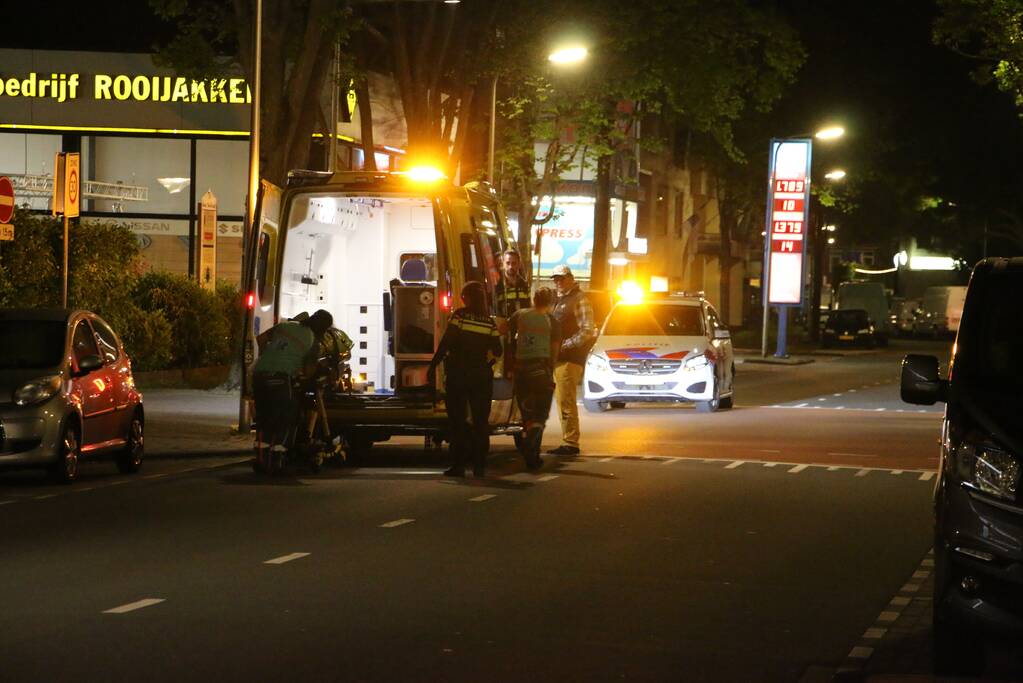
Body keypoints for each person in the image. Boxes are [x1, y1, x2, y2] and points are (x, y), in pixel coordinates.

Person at [428, 281, 503, 478]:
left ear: (468, 298)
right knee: (480, 422)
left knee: (457, 421)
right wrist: (486, 361)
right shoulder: (489, 322)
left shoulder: (460, 316)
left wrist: (433, 365)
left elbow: (447, 341)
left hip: (458, 374)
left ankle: (459, 466)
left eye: (463, 297)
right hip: (481, 376)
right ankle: (479, 467)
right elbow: (498, 350)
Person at [253, 309, 334, 452]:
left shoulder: (286, 326)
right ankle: (278, 453)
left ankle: (260, 453)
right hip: (280, 378)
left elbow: (260, 339)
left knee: (264, 417)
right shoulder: (313, 341)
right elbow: (308, 372)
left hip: (259, 375)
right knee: (287, 416)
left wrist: (266, 357)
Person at [507, 287, 560, 469]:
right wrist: (550, 369)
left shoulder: (519, 315)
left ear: (533, 300)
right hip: (540, 370)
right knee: (540, 415)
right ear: (551, 303)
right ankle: (532, 448)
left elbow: (506, 334)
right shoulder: (552, 321)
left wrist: (510, 363)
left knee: (527, 414)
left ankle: (532, 456)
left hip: (521, 370)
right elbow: (554, 349)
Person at [548, 265, 597, 456]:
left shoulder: (579, 299)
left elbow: (587, 330)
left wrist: (565, 345)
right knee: (561, 400)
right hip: (558, 358)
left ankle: (570, 442)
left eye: (561, 278)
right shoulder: (558, 299)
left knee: (566, 400)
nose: (558, 282)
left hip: (569, 358)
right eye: (555, 279)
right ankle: (568, 440)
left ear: (570, 278)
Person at [495, 250, 532, 318]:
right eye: (508, 263)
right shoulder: (497, 285)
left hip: (522, 323)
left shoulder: (525, 285)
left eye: (514, 263)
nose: (511, 266)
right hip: (504, 323)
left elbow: (529, 308)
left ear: (519, 264)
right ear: (503, 264)